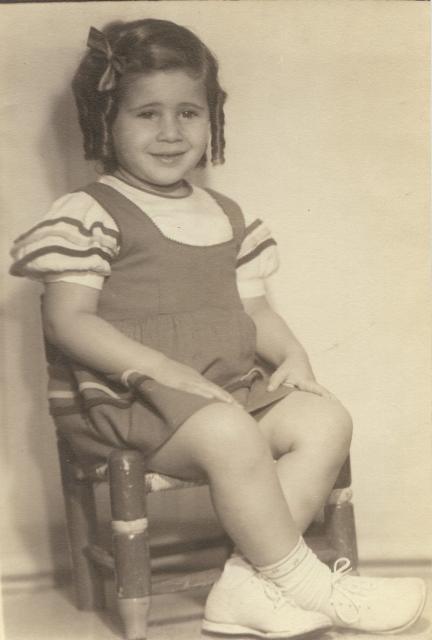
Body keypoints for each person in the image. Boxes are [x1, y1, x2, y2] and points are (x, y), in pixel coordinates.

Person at [10, 19, 425, 639]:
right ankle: (313, 585)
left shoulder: (227, 216)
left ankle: (244, 584)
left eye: (189, 113)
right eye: (147, 114)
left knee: (325, 419)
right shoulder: (90, 212)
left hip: (224, 390)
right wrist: (161, 368)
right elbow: (68, 321)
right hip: (127, 401)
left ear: (213, 119)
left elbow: (256, 314)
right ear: (105, 121)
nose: (171, 132)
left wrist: (294, 357)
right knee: (230, 433)